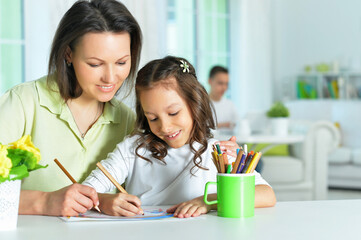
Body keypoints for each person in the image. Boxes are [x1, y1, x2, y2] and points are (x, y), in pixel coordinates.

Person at [83, 56, 276, 218]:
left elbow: (267, 195)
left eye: (174, 113)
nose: (165, 127)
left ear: (195, 104)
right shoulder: (132, 149)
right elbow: (84, 192)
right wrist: (104, 201)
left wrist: (208, 201)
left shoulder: (217, 151)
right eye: (153, 118)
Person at [0, 0, 142, 216]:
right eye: (95, 64)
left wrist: (100, 201)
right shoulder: (23, 103)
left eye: (122, 63)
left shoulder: (127, 120)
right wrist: (44, 202)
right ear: (68, 54)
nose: (111, 77)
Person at [208, 66, 239, 135]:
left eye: (226, 84)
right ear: (210, 81)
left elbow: (237, 125)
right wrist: (223, 125)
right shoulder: (201, 104)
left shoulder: (230, 104)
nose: (224, 88)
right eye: (220, 83)